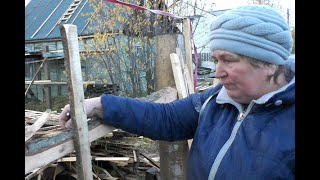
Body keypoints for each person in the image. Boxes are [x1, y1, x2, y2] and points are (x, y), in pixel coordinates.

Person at [59, 5, 295, 180]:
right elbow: (166, 119)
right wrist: (100, 105)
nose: (218, 73)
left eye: (229, 61)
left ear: (269, 64)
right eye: (215, 60)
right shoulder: (214, 101)